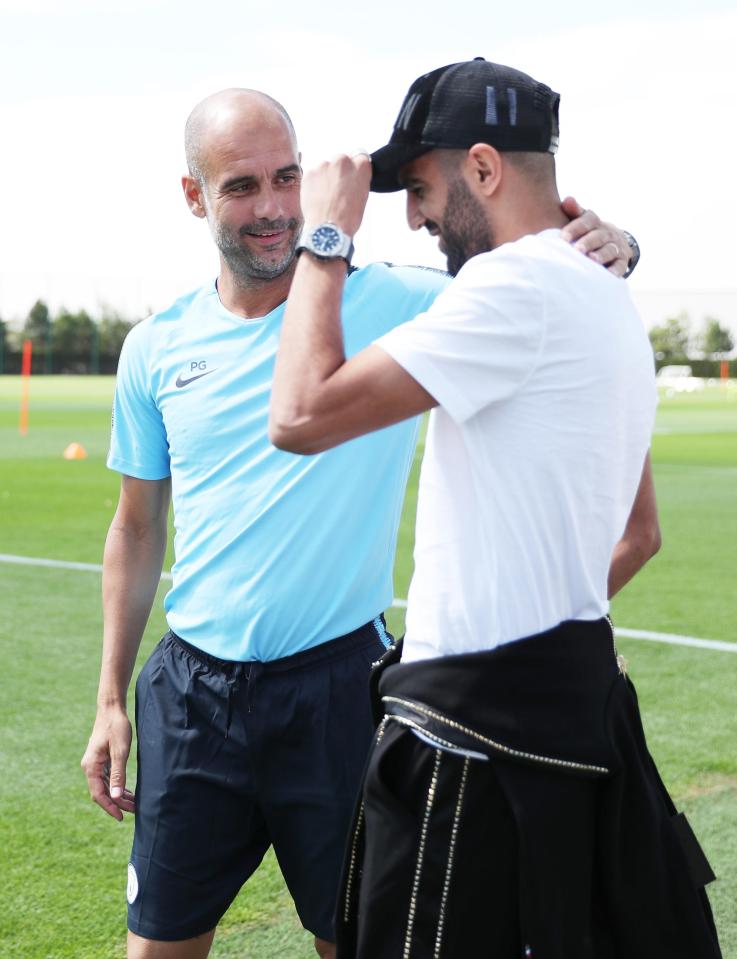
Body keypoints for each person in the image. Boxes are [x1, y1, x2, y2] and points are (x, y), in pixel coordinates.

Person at [80, 86, 650, 959]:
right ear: (194, 196)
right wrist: (111, 695)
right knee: (156, 946)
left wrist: (615, 242)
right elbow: (135, 528)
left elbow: (530, 268)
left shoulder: (410, 299)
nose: (272, 209)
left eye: (285, 179)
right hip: (190, 697)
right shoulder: (154, 347)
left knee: (356, 940)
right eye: (241, 187)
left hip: (340, 691)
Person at [269, 60, 720, 959]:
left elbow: (298, 415)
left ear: (483, 169)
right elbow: (640, 535)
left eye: (424, 187)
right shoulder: (604, 291)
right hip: (574, 711)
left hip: (468, 742)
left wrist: (324, 236)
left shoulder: (510, 288)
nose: (413, 216)